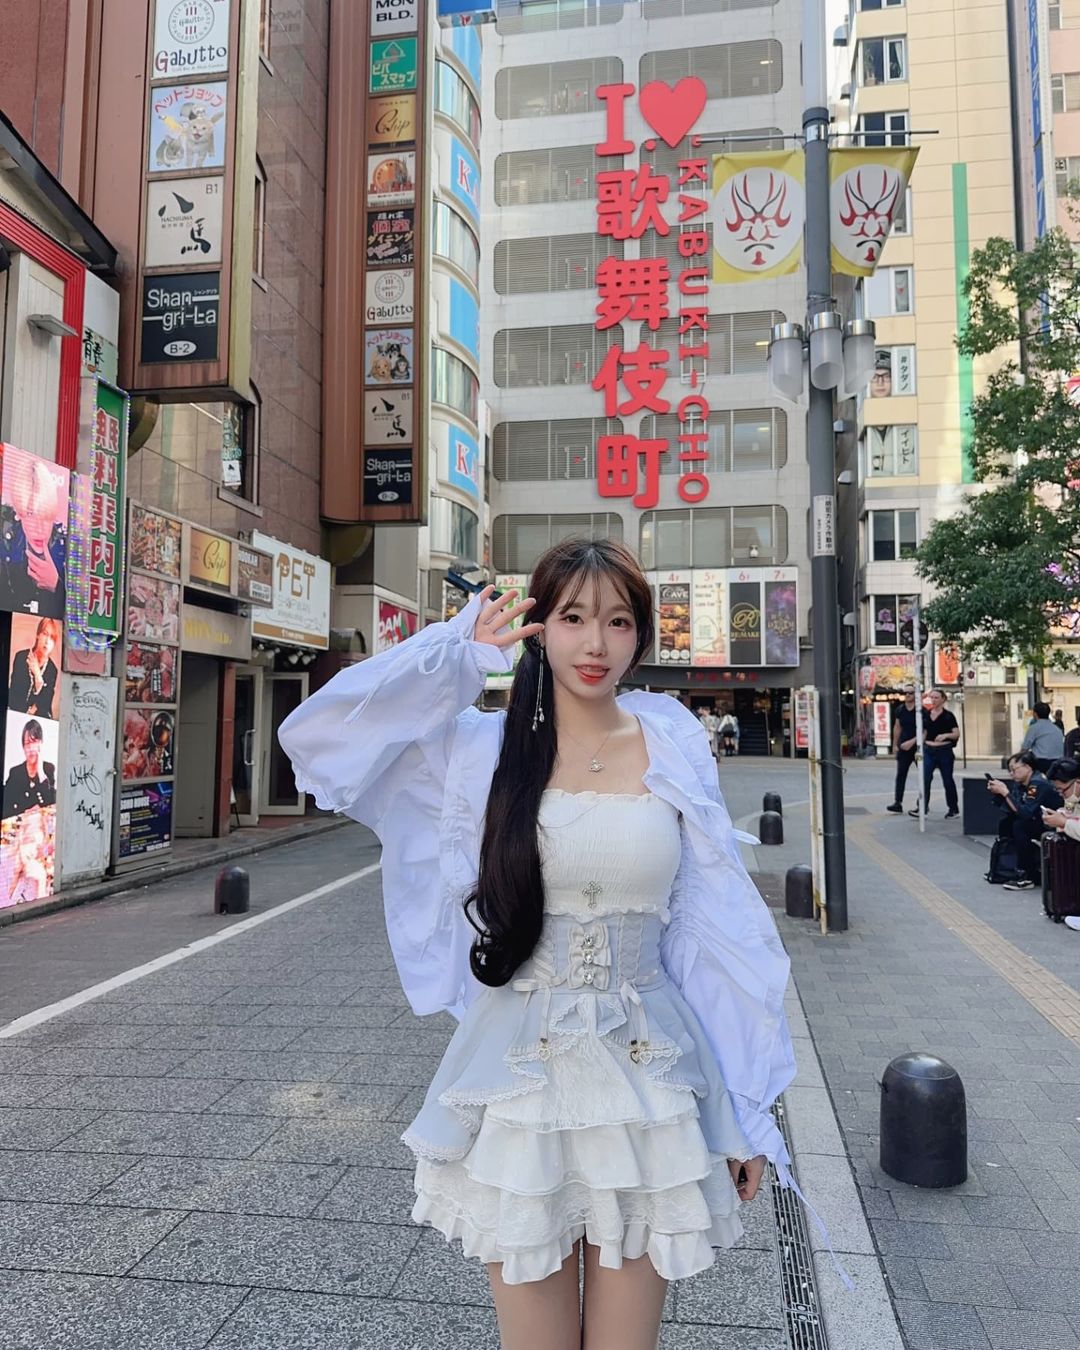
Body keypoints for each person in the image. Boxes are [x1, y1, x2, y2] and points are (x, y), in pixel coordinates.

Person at [279, 538, 801, 1350]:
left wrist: (745, 1111)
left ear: (640, 635)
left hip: (652, 1080)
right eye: (573, 618)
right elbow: (321, 739)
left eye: (618, 621)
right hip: (520, 1077)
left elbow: (714, 934)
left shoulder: (672, 742)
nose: (596, 643)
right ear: (541, 629)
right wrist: (455, 654)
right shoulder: (483, 750)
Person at [0, 456, 67, 618]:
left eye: (45, 516)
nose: (39, 528)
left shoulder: (66, 549)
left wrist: (55, 585)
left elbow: (78, 618)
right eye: (31, 514)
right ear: (19, 513)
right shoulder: (6, 543)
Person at [986, 751, 1062, 891]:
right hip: (1037, 820)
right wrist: (999, 795)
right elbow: (1014, 808)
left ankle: (1027, 875)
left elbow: (1025, 813)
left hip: (1052, 823)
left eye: (1014, 769)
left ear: (1027, 767)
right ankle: (1005, 867)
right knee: (1007, 822)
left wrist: (1005, 792)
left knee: (1020, 826)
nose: (1011, 774)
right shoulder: (1021, 784)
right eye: (1010, 770)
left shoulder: (1037, 783)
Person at [910, 687, 960, 819]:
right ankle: (922, 807)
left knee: (947, 780)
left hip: (944, 750)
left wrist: (945, 735)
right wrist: (918, 749)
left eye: (936, 697)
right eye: (931, 697)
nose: (933, 700)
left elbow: (956, 733)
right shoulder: (926, 715)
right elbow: (924, 733)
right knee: (925, 778)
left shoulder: (948, 716)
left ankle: (953, 808)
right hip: (928, 750)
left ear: (943, 699)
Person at [3, 719, 56, 820]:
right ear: (23, 747)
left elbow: (52, 803)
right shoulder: (15, 773)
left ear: (41, 743)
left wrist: (40, 772)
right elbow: (6, 807)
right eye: (27, 743)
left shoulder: (48, 769)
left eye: (34, 742)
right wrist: (24, 814)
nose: (31, 748)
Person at [8, 618, 61, 719]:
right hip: (17, 715)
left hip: (38, 720)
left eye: (52, 637)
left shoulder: (52, 670)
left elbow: (45, 705)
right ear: (38, 634)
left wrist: (38, 677)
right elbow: (14, 695)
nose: (47, 641)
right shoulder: (21, 657)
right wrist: (28, 712)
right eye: (45, 634)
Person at [887, 686, 918, 813]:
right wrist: (895, 744)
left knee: (924, 775)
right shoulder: (900, 709)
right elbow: (897, 727)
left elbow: (925, 730)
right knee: (901, 774)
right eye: (905, 693)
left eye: (911, 693)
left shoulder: (920, 710)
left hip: (918, 747)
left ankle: (923, 802)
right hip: (904, 746)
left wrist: (914, 742)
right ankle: (898, 802)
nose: (908, 695)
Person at [1021, 701, 1065, 774]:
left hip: (1041, 763)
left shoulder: (1034, 728)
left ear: (1035, 714)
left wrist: (1017, 759)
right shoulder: (1057, 729)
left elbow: (1025, 748)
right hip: (1058, 763)